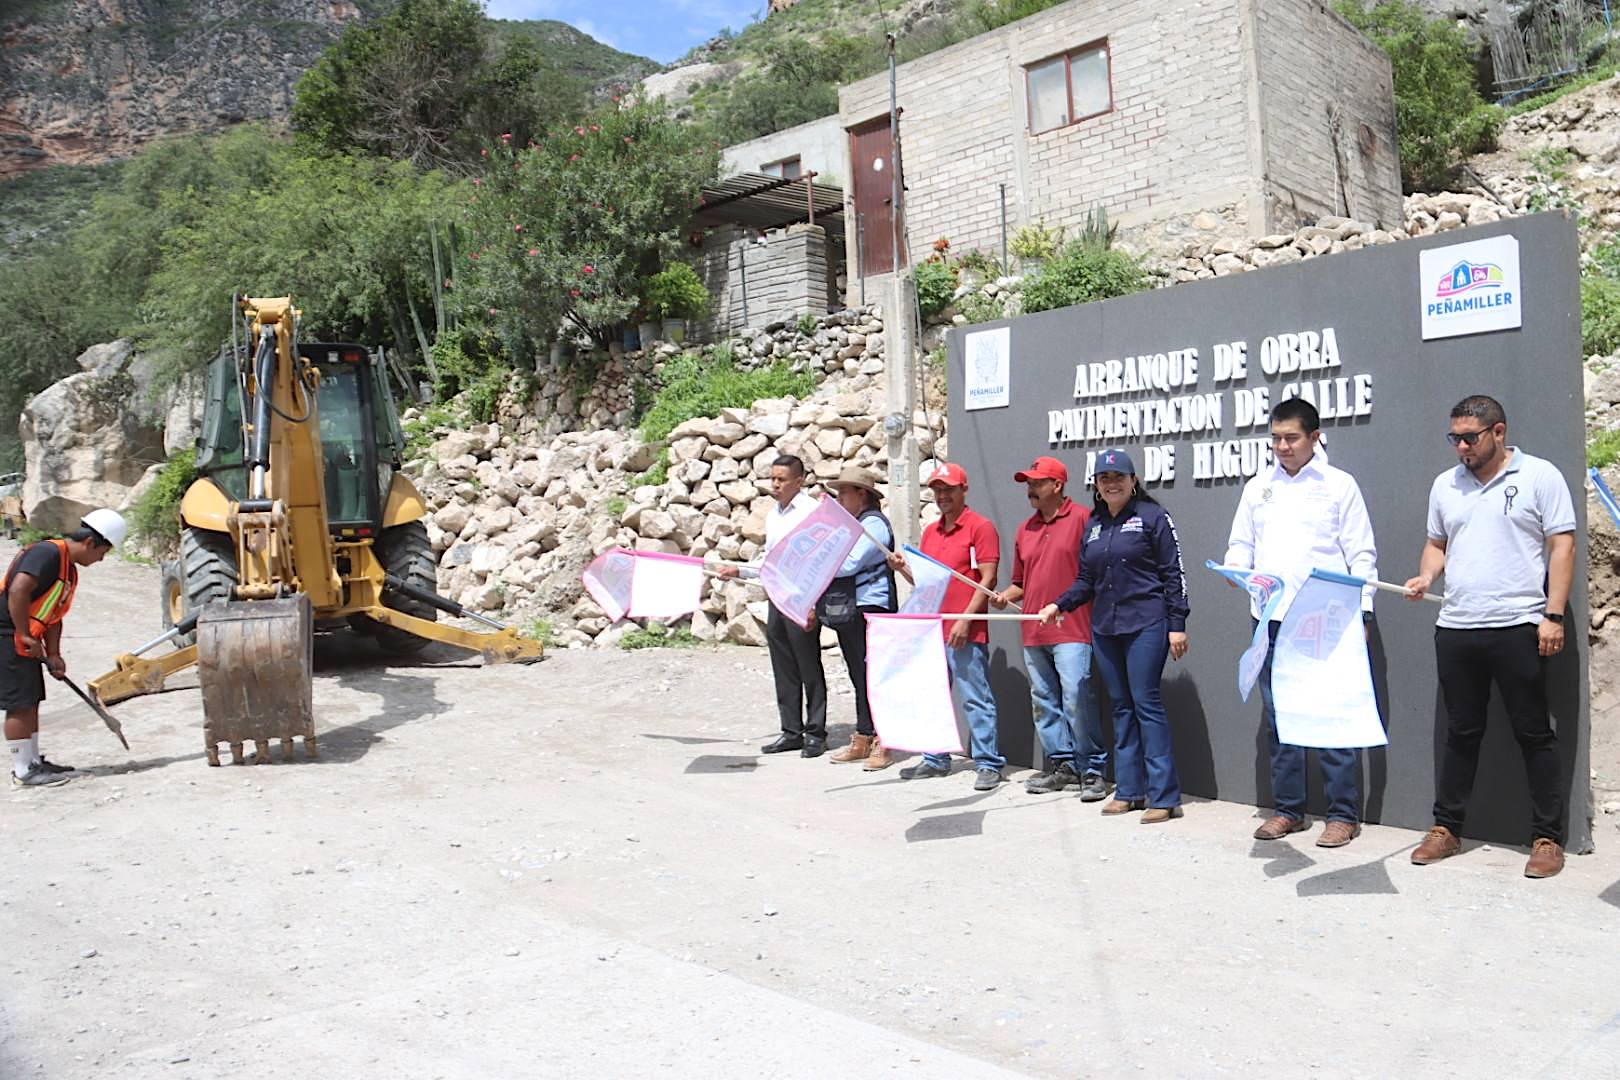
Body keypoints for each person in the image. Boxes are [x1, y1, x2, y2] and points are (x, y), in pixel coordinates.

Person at [1403, 395, 1576, 879]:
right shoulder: (1445, 485)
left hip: (1519, 625)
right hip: (1457, 627)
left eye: (1469, 438)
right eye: (1454, 438)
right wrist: (1426, 576)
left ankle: (1547, 838)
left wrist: (1553, 615)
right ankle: (1446, 829)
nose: (1461, 447)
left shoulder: (1539, 476)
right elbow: (1437, 543)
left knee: (1533, 733)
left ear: (1498, 432)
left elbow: (1562, 545)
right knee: (1461, 732)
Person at [1223, 397, 1378, 849]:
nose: (1282, 447)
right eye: (1275, 438)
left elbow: (1361, 553)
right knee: (1280, 717)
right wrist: (1237, 570)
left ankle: (1342, 815)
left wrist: (1364, 609)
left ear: (1315, 437)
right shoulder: (1258, 488)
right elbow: (1241, 545)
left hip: (1327, 620)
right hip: (1271, 618)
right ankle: (1288, 810)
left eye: (1291, 438)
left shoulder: (1339, 485)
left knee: (1331, 714)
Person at [1040, 449, 1188, 823]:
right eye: (1104, 479)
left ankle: (1163, 797)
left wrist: (1177, 624)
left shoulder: (1153, 517)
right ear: (1096, 485)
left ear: (1133, 480)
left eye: (1118, 477)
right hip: (1106, 627)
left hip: (1147, 623)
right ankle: (1128, 791)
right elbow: (1085, 580)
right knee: (1121, 707)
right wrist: (1060, 604)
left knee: (1145, 704)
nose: (1111, 484)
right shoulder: (1093, 525)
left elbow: (1174, 574)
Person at [991, 456, 1109, 799]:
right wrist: (1004, 596)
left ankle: (1092, 770)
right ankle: (1063, 766)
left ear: (1057, 485)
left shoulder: (1084, 519)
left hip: (1073, 627)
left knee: (1076, 699)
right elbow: (1021, 582)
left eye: (1037, 482)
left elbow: (1095, 575)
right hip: (1033, 630)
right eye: (1028, 483)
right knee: (1043, 701)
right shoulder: (1025, 529)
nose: (1030, 489)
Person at [888, 462, 1005, 790]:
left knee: (975, 696)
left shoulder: (980, 527)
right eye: (938, 490)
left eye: (948, 490)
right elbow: (927, 584)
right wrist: (901, 569)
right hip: (934, 629)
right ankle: (935, 758)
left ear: (963, 490)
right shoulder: (930, 532)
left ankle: (988, 762)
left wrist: (965, 620)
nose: (942, 496)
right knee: (934, 695)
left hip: (965, 630)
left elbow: (988, 579)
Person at [4, 509, 126, 788]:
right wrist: (23, 634)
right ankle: (23, 771)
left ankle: (33, 762)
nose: (101, 559)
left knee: (30, 699)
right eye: (102, 553)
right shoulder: (47, 554)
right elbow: (18, 591)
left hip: (25, 635)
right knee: (19, 703)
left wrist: (54, 653)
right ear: (89, 543)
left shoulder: (67, 569)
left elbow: (53, 615)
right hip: (7, 633)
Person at [716, 455, 827, 757]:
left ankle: (816, 733)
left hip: (801, 598)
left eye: (782, 479)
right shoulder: (774, 514)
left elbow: (819, 561)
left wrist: (812, 603)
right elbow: (770, 559)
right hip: (777, 597)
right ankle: (791, 731)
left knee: (809, 666)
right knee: (783, 666)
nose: (775, 484)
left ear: (798, 481)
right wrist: (740, 570)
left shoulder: (811, 513)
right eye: (773, 478)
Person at [821, 467, 899, 770]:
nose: (840, 498)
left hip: (872, 607)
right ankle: (864, 735)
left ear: (861, 494)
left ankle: (884, 741)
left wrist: (822, 560)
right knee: (858, 673)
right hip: (851, 607)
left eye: (844, 492)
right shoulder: (854, 526)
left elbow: (850, 564)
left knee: (875, 675)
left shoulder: (874, 525)